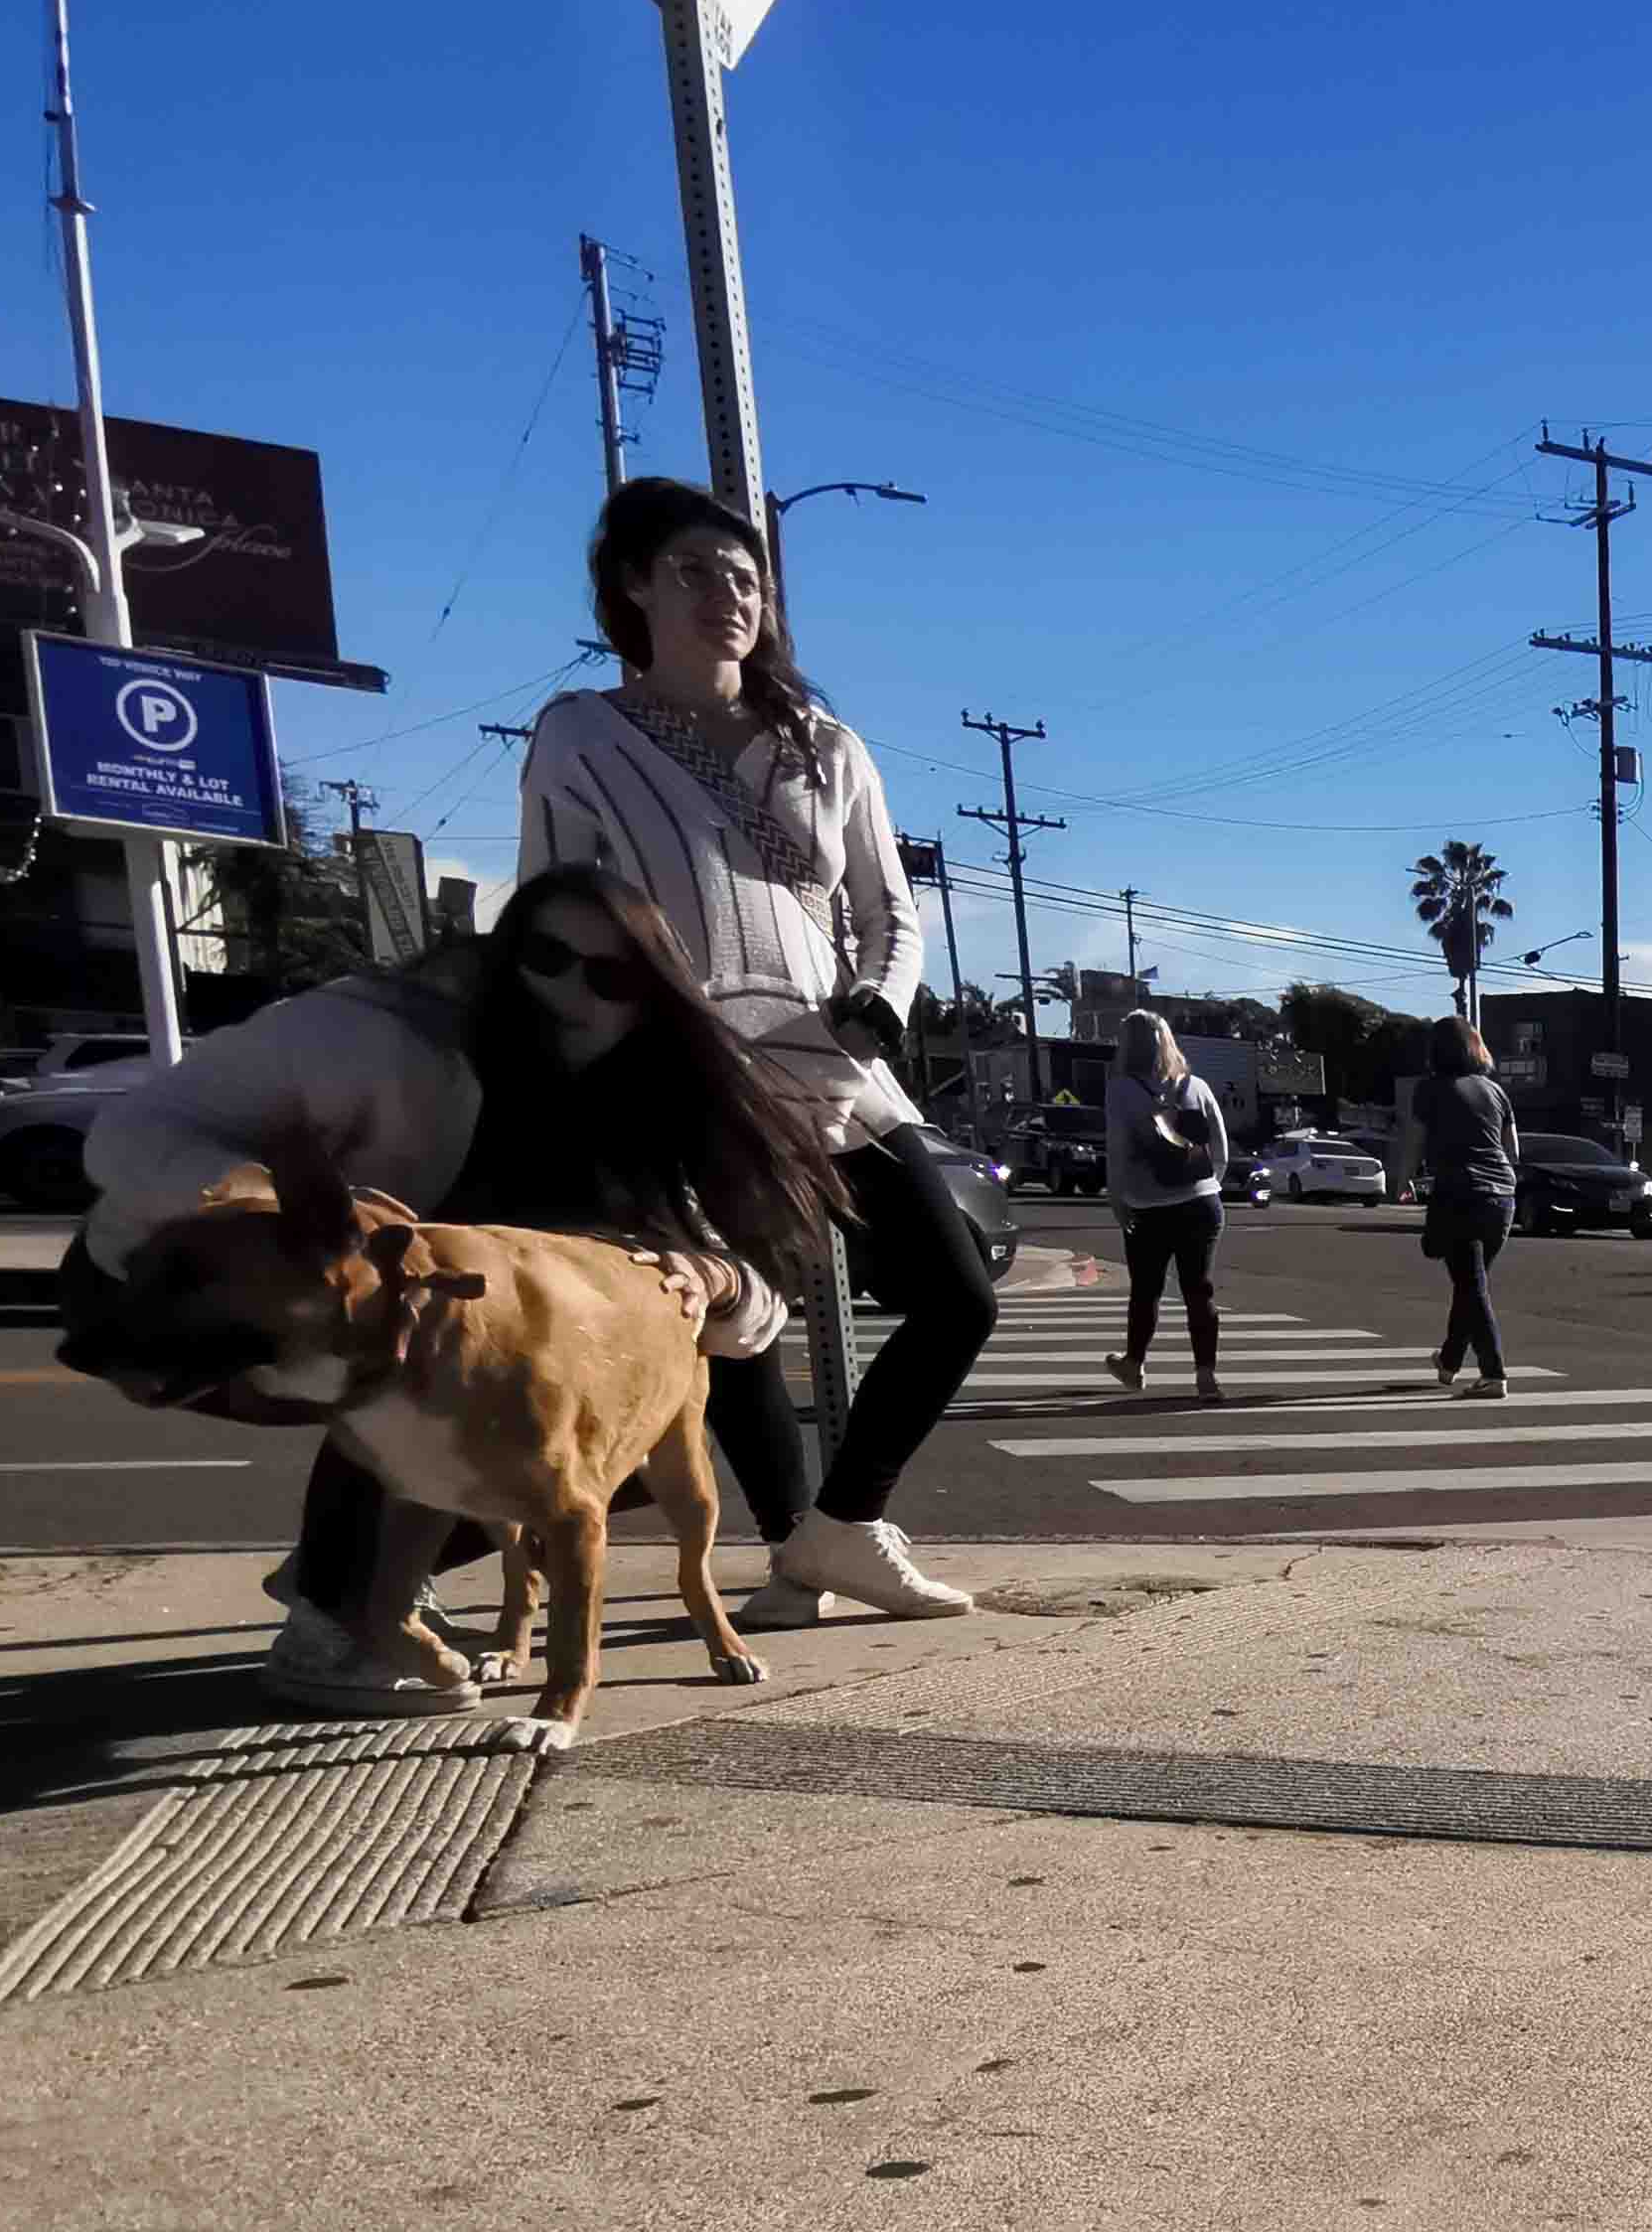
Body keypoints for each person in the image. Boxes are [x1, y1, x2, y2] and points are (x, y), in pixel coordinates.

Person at [70, 868, 843, 1714]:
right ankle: (341, 1616)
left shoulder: (642, 1101)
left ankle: (355, 1578)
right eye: (544, 954)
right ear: (501, 951)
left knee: (591, 1431)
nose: (567, 988)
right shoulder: (367, 1035)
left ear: (649, 1001)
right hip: (162, 1284)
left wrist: (718, 1279)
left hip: (382, 1316)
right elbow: (130, 1135)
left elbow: (752, 1301)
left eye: (610, 975)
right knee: (418, 1378)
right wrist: (284, 1211)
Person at [521, 477, 985, 1619]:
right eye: (691, 570)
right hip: (683, 1072)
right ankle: (797, 1549)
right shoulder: (582, 735)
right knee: (734, 1323)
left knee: (957, 1293)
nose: (726, 594)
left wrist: (884, 997)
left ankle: (839, 1525)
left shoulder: (826, 745)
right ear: (632, 585)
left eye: (744, 576)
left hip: (837, 1065)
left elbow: (892, 909)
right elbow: (552, 913)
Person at [1100, 1011, 1232, 1400]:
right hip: (1203, 1203)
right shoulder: (1198, 1086)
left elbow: (1118, 1150)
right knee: (1199, 1290)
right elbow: (1220, 1149)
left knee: (1146, 1290)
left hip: (1147, 1205)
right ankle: (1206, 1378)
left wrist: (1118, 1200)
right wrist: (1205, 1186)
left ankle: (1134, 1365)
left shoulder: (1120, 1089)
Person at [1412, 1015, 1519, 1397]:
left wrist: (1407, 1178)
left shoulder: (1430, 1089)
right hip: (1503, 1195)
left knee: (1471, 1285)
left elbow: (1417, 1142)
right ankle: (1451, 1359)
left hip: (1460, 1192)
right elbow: (1513, 1150)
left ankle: (1494, 1373)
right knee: (1471, 1284)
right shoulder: (1495, 1091)